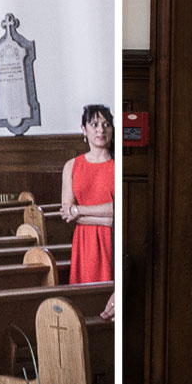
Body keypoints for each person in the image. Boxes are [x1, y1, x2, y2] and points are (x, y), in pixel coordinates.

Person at [60, 106, 115, 285]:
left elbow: (118, 209)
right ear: (84, 129)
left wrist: (79, 210)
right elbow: (67, 213)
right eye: (95, 124)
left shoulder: (117, 165)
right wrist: (108, 220)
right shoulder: (71, 166)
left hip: (112, 241)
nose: (101, 130)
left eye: (106, 124)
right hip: (85, 243)